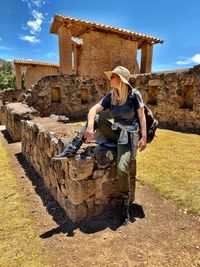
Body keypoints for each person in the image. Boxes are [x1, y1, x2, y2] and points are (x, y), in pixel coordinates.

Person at [54, 66, 147, 225]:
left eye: (113, 76)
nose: (110, 78)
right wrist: (90, 127)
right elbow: (93, 110)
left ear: (121, 79)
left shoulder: (134, 95)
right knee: (96, 119)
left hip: (129, 137)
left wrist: (143, 137)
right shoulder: (111, 96)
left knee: (122, 169)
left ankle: (125, 208)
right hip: (115, 132)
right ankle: (71, 149)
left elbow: (142, 116)